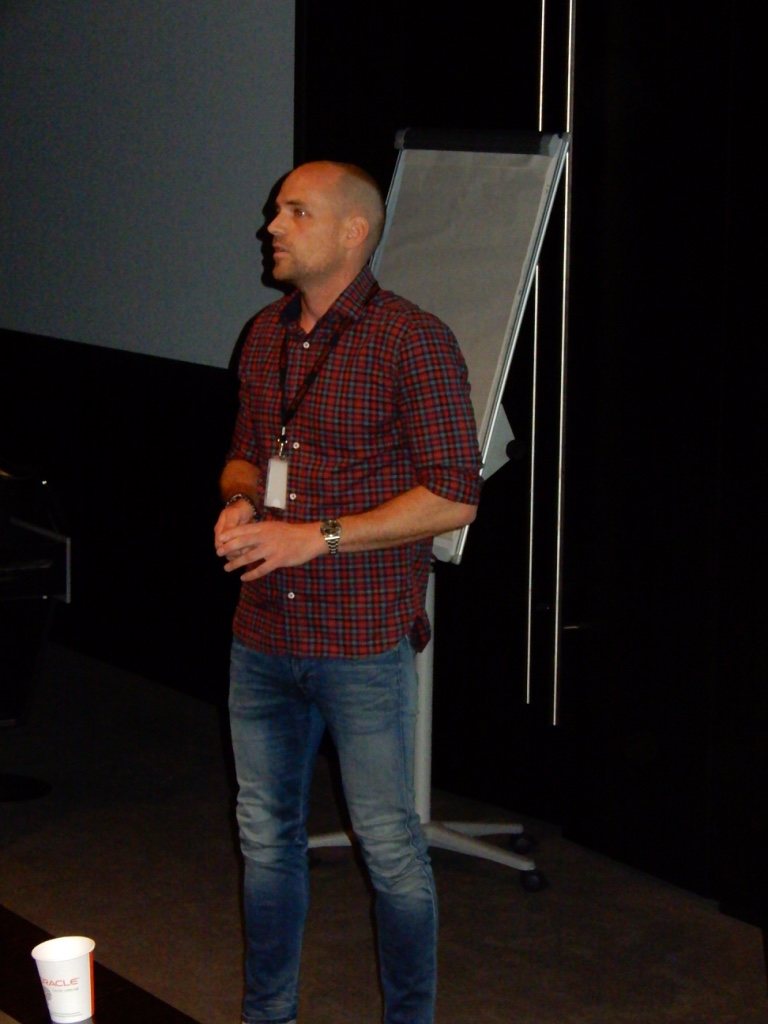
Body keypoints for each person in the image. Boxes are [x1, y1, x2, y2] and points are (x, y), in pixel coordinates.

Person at [214, 160, 482, 1024]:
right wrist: (240, 502)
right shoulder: (263, 333)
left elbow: (454, 495)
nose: (272, 226)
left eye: (295, 212)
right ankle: (269, 1014)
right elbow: (246, 453)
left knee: (391, 849)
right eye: (275, 210)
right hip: (262, 634)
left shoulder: (413, 339)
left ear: (352, 232)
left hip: (360, 641)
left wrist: (315, 537)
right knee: (265, 840)